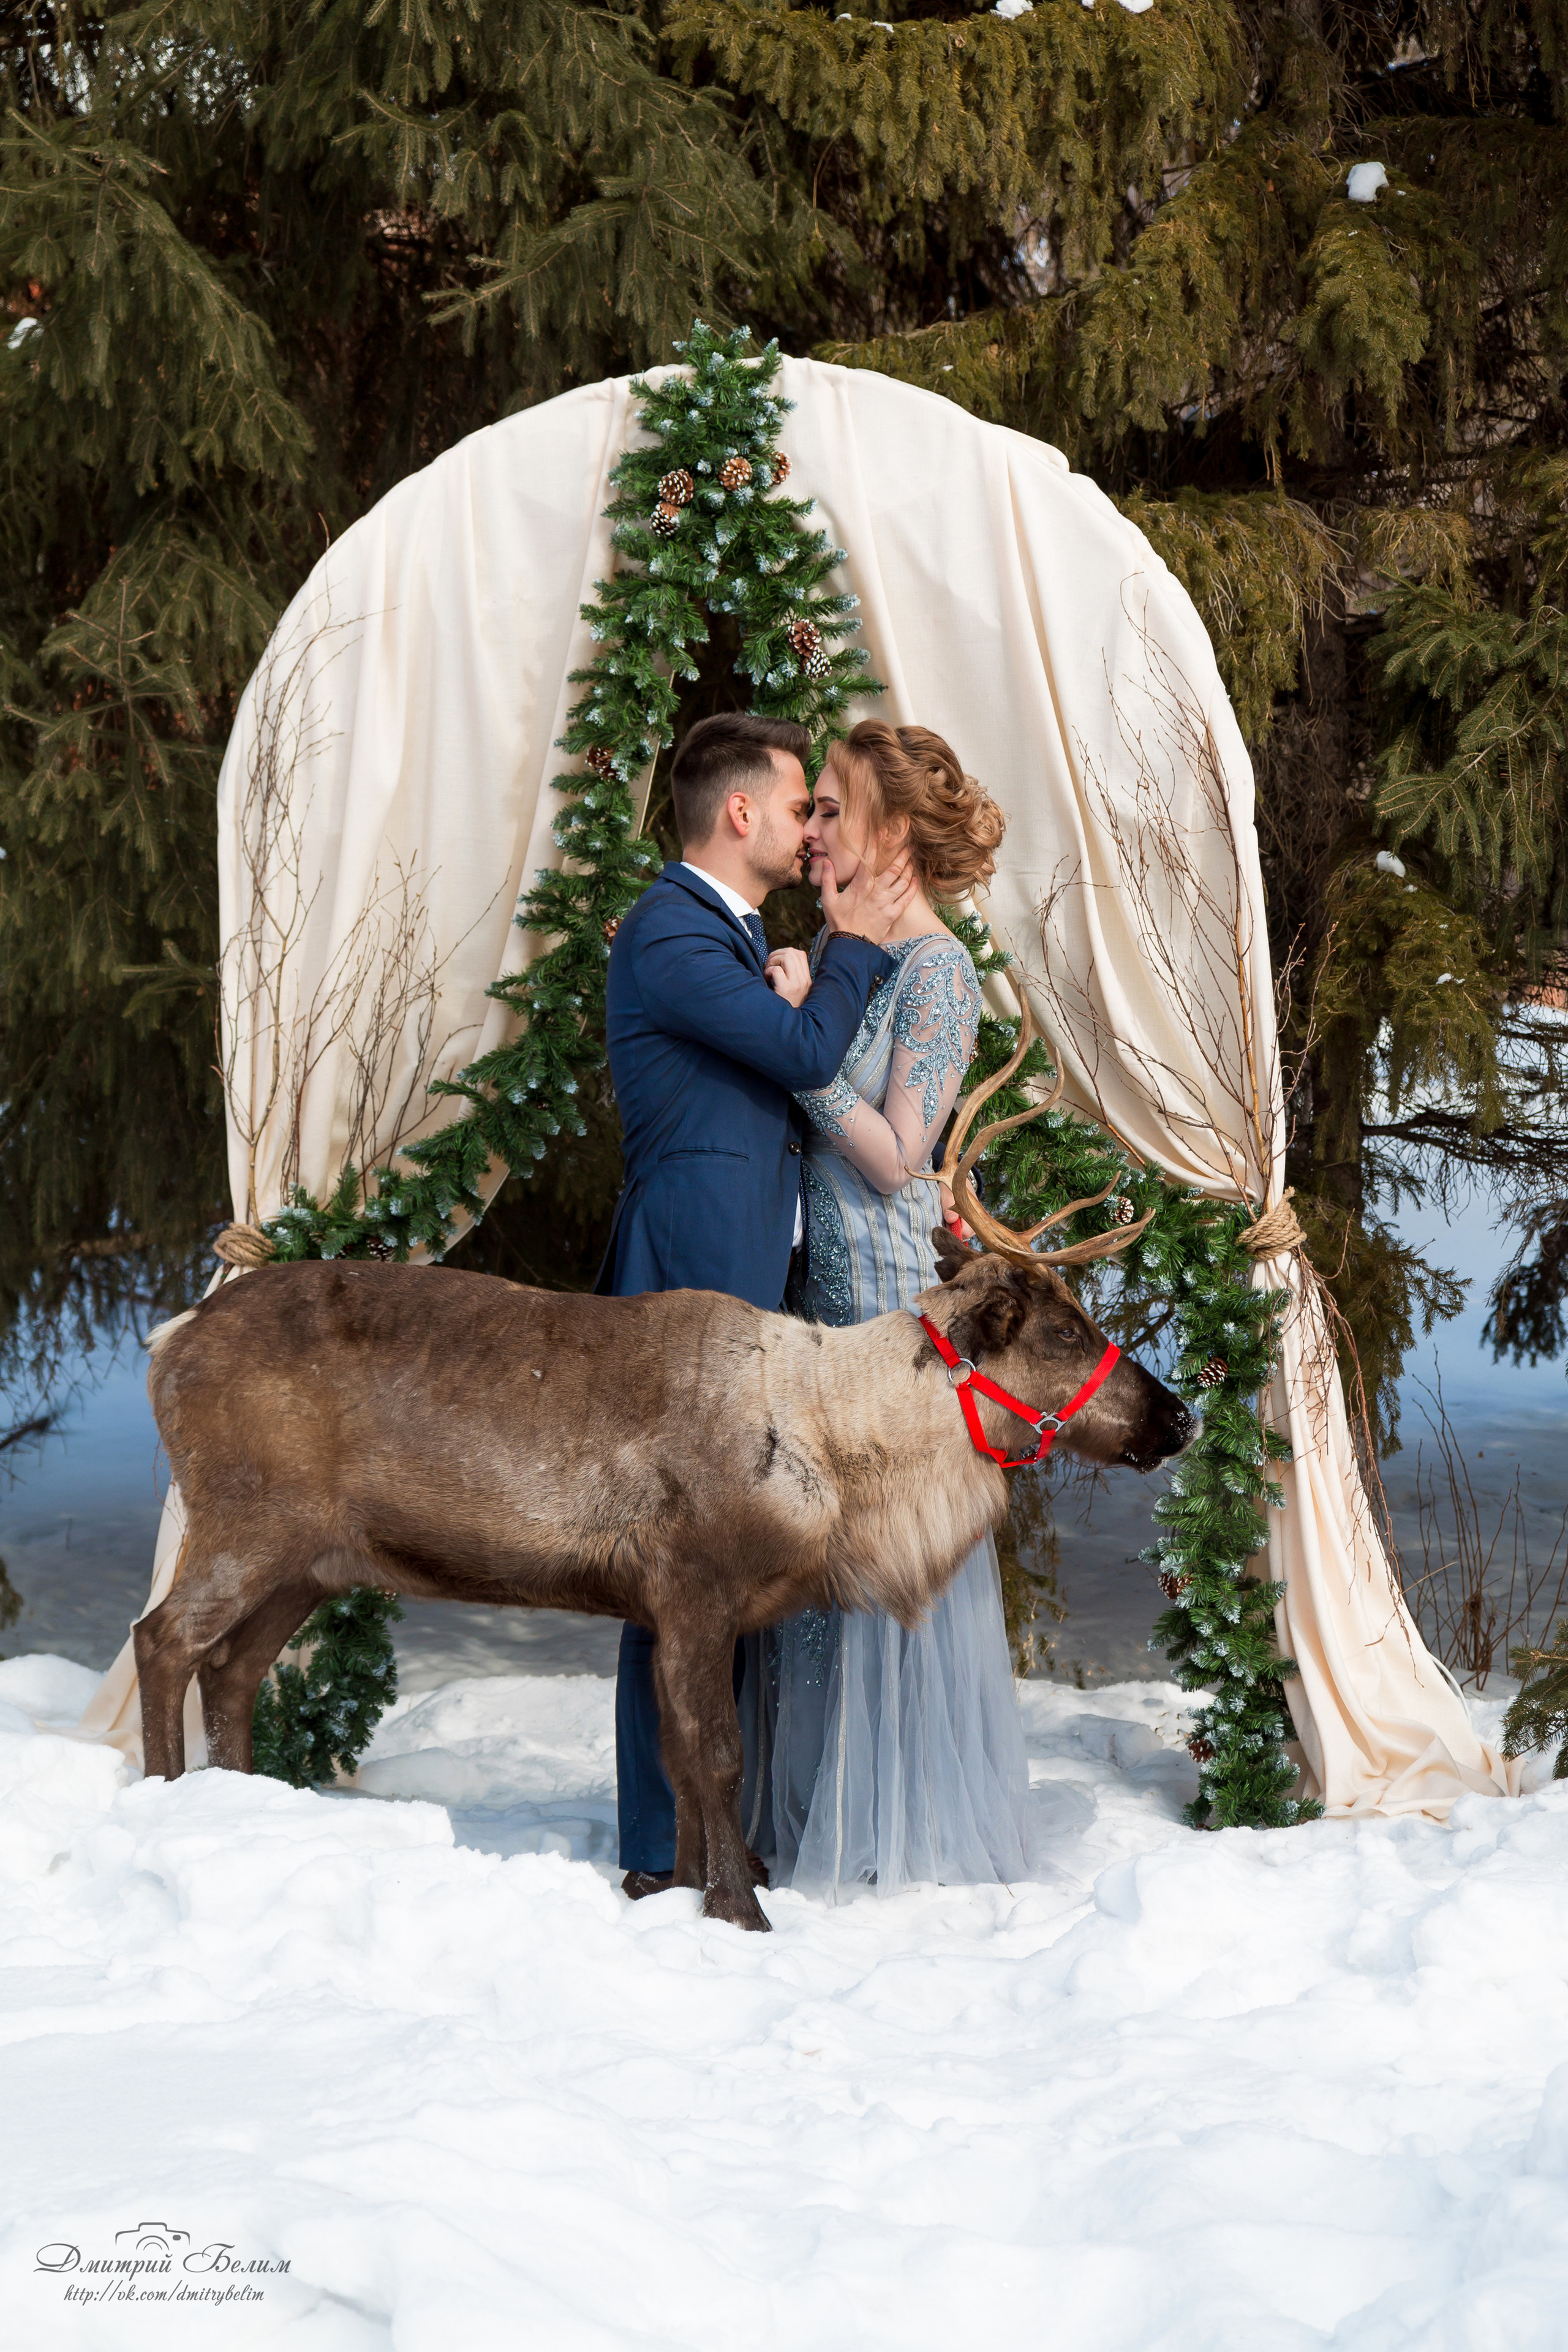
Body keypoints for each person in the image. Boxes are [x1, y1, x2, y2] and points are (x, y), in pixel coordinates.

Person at [599, 711, 914, 1897]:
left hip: (743, 1292)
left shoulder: (719, 934)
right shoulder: (671, 933)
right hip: (685, 1286)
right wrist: (848, 944)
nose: (807, 828)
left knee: (715, 1572)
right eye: (797, 806)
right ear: (740, 814)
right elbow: (796, 1054)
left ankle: (700, 1833)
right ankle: (654, 1853)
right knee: (669, 1570)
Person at [739, 718, 1033, 1898]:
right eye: (806, 812)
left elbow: (898, 1155)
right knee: (805, 1566)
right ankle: (810, 1808)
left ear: (891, 833)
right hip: (816, 1307)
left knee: (879, 1565)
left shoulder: (944, 973)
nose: (810, 830)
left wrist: (801, 1049)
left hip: (886, 1309)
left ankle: (890, 1823)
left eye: (831, 809)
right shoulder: (846, 944)